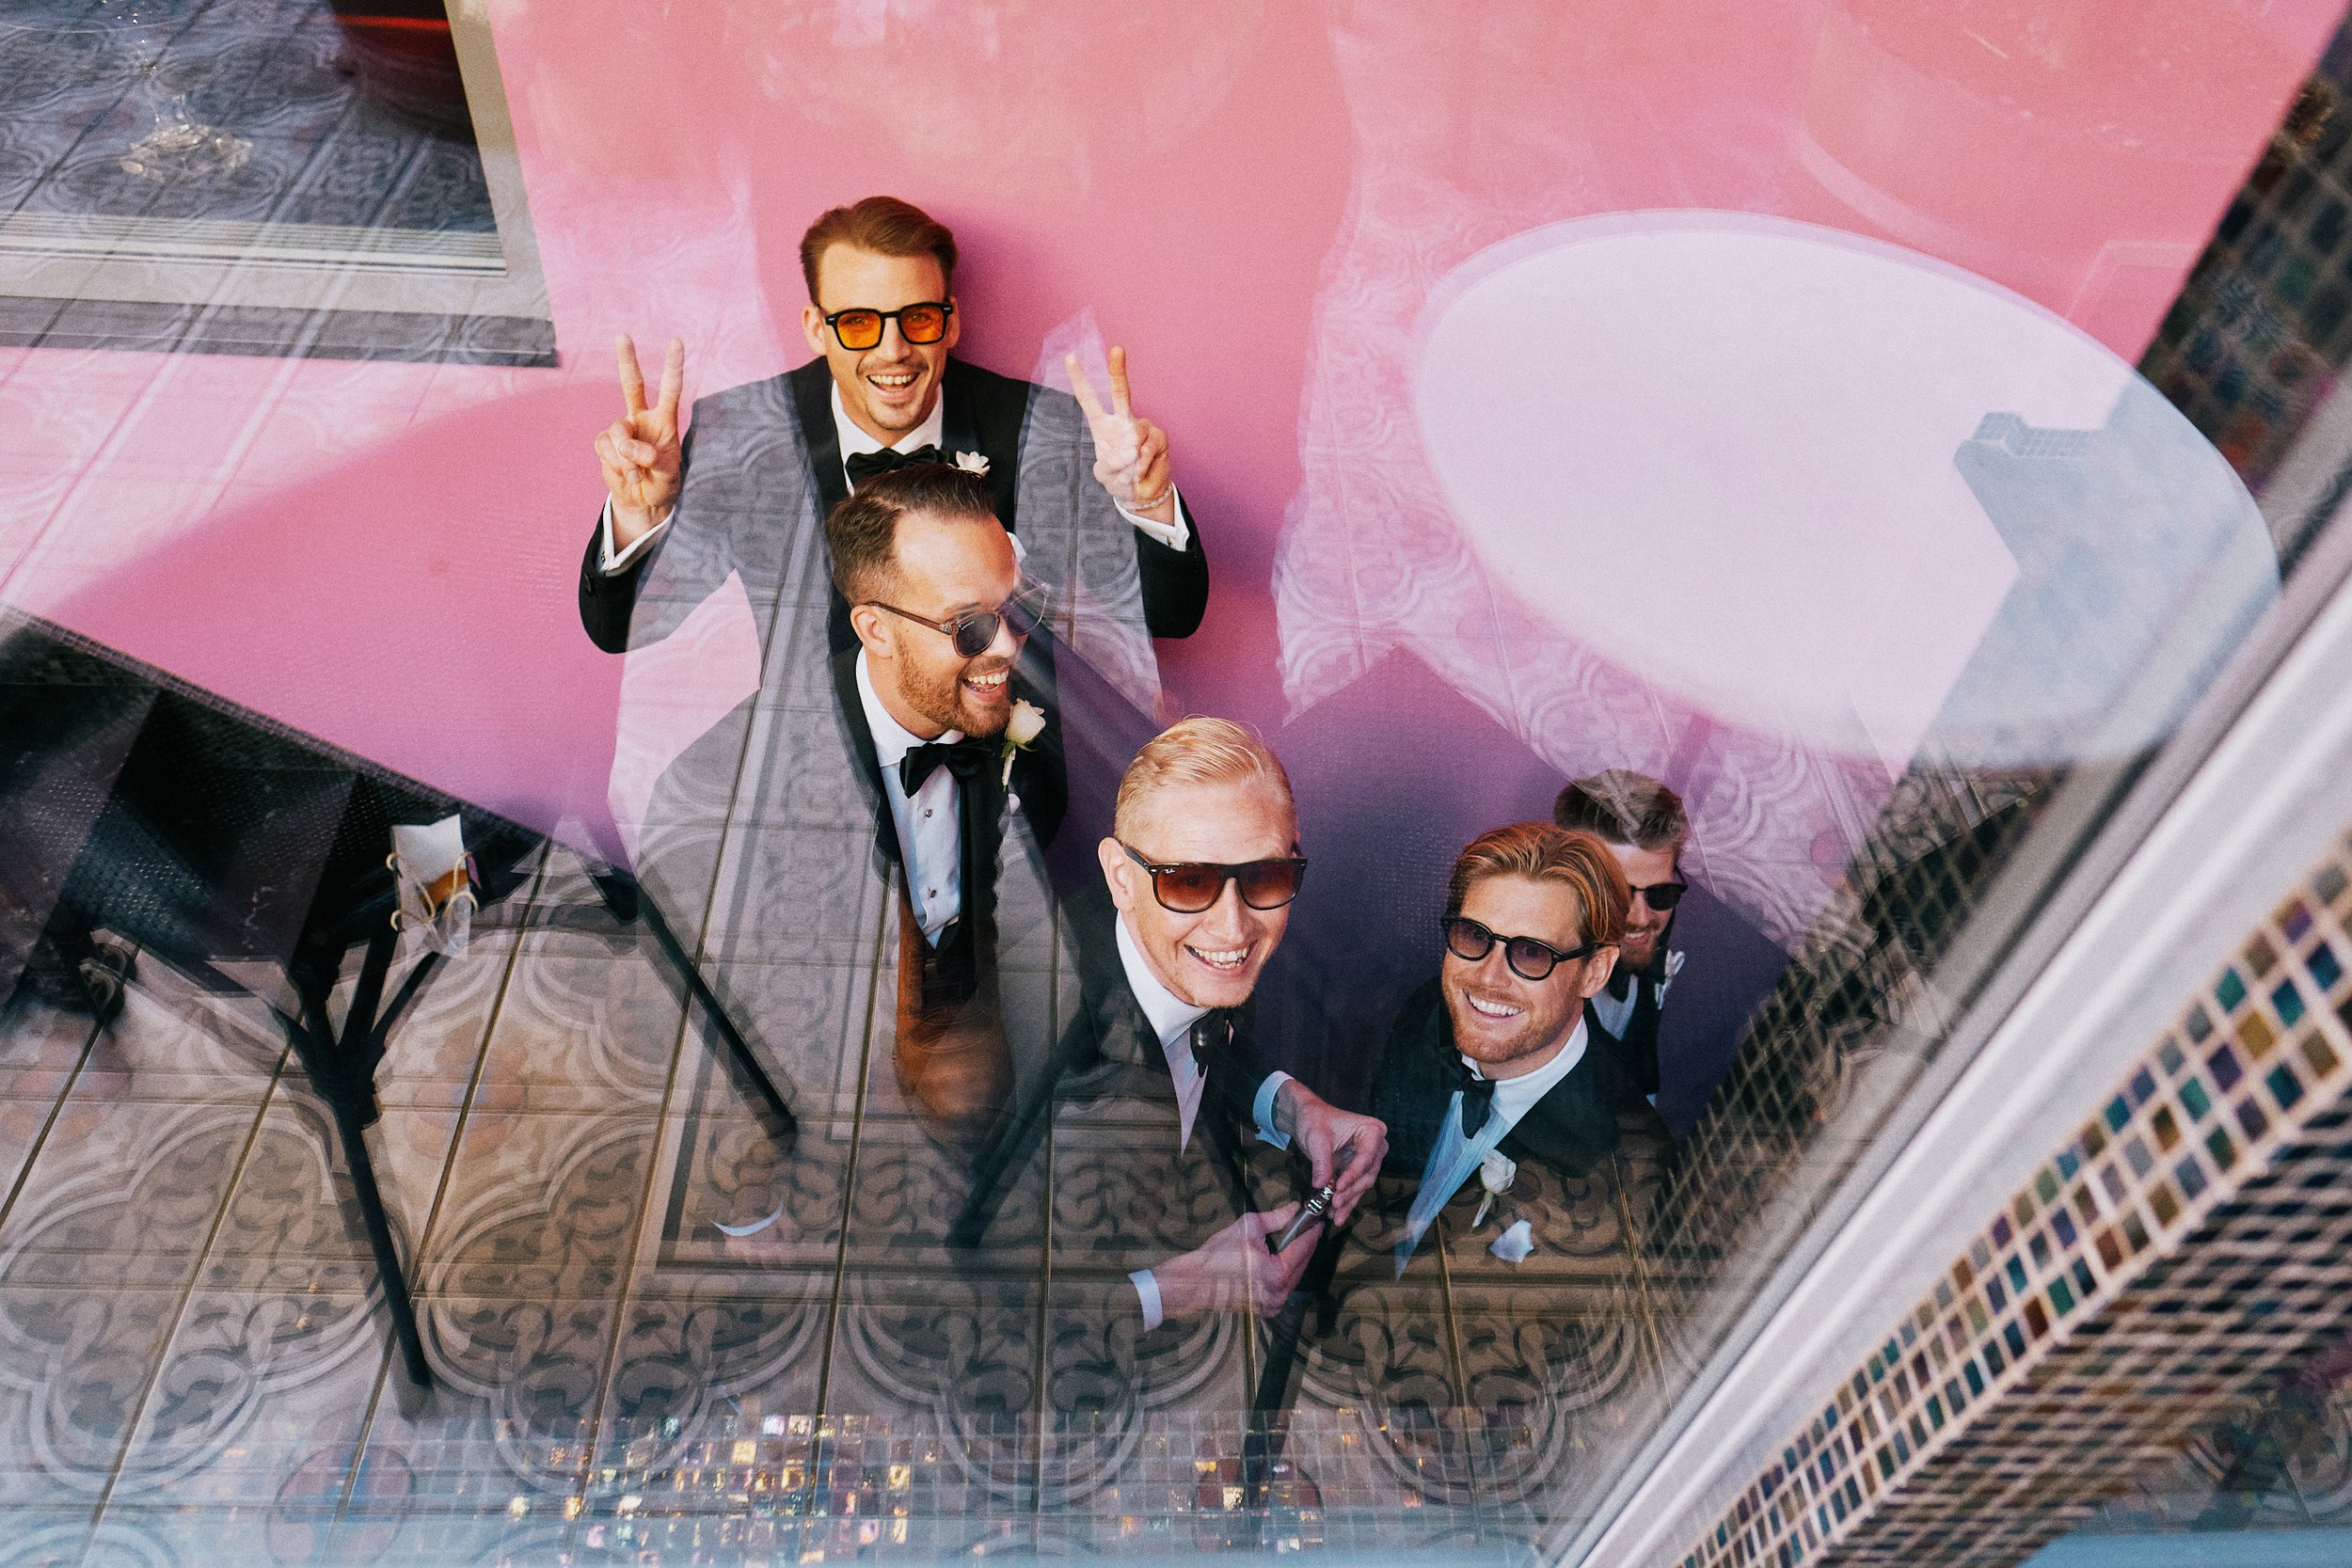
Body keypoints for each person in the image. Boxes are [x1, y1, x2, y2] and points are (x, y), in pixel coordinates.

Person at [578, 194, 1209, 661]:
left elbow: (1170, 615)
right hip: (815, 780)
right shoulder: (743, 430)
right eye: (858, 323)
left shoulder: (1036, 426)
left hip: (1005, 774)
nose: (892, 350)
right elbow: (625, 628)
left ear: (952, 320)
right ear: (815, 327)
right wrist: (641, 515)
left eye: (917, 319)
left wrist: (1145, 501)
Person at [955, 719, 1386, 1391]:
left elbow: (1212, 1032)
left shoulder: (1197, 952)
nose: (1235, 926)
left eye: (1266, 875)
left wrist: (1290, 1104)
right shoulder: (1036, 1069)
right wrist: (1184, 1289)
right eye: (1190, 881)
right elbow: (976, 1298)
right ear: (1121, 879)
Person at [1372, 821, 1665, 1271]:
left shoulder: (1630, 1168)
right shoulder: (1428, 1013)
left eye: (1532, 953)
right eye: (1474, 936)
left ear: (1594, 972)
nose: (1487, 978)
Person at [1553, 769, 1788, 1138]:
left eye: (1660, 894)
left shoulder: (1708, 957)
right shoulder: (1531, 982)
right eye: (1617, 893)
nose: (1641, 918)